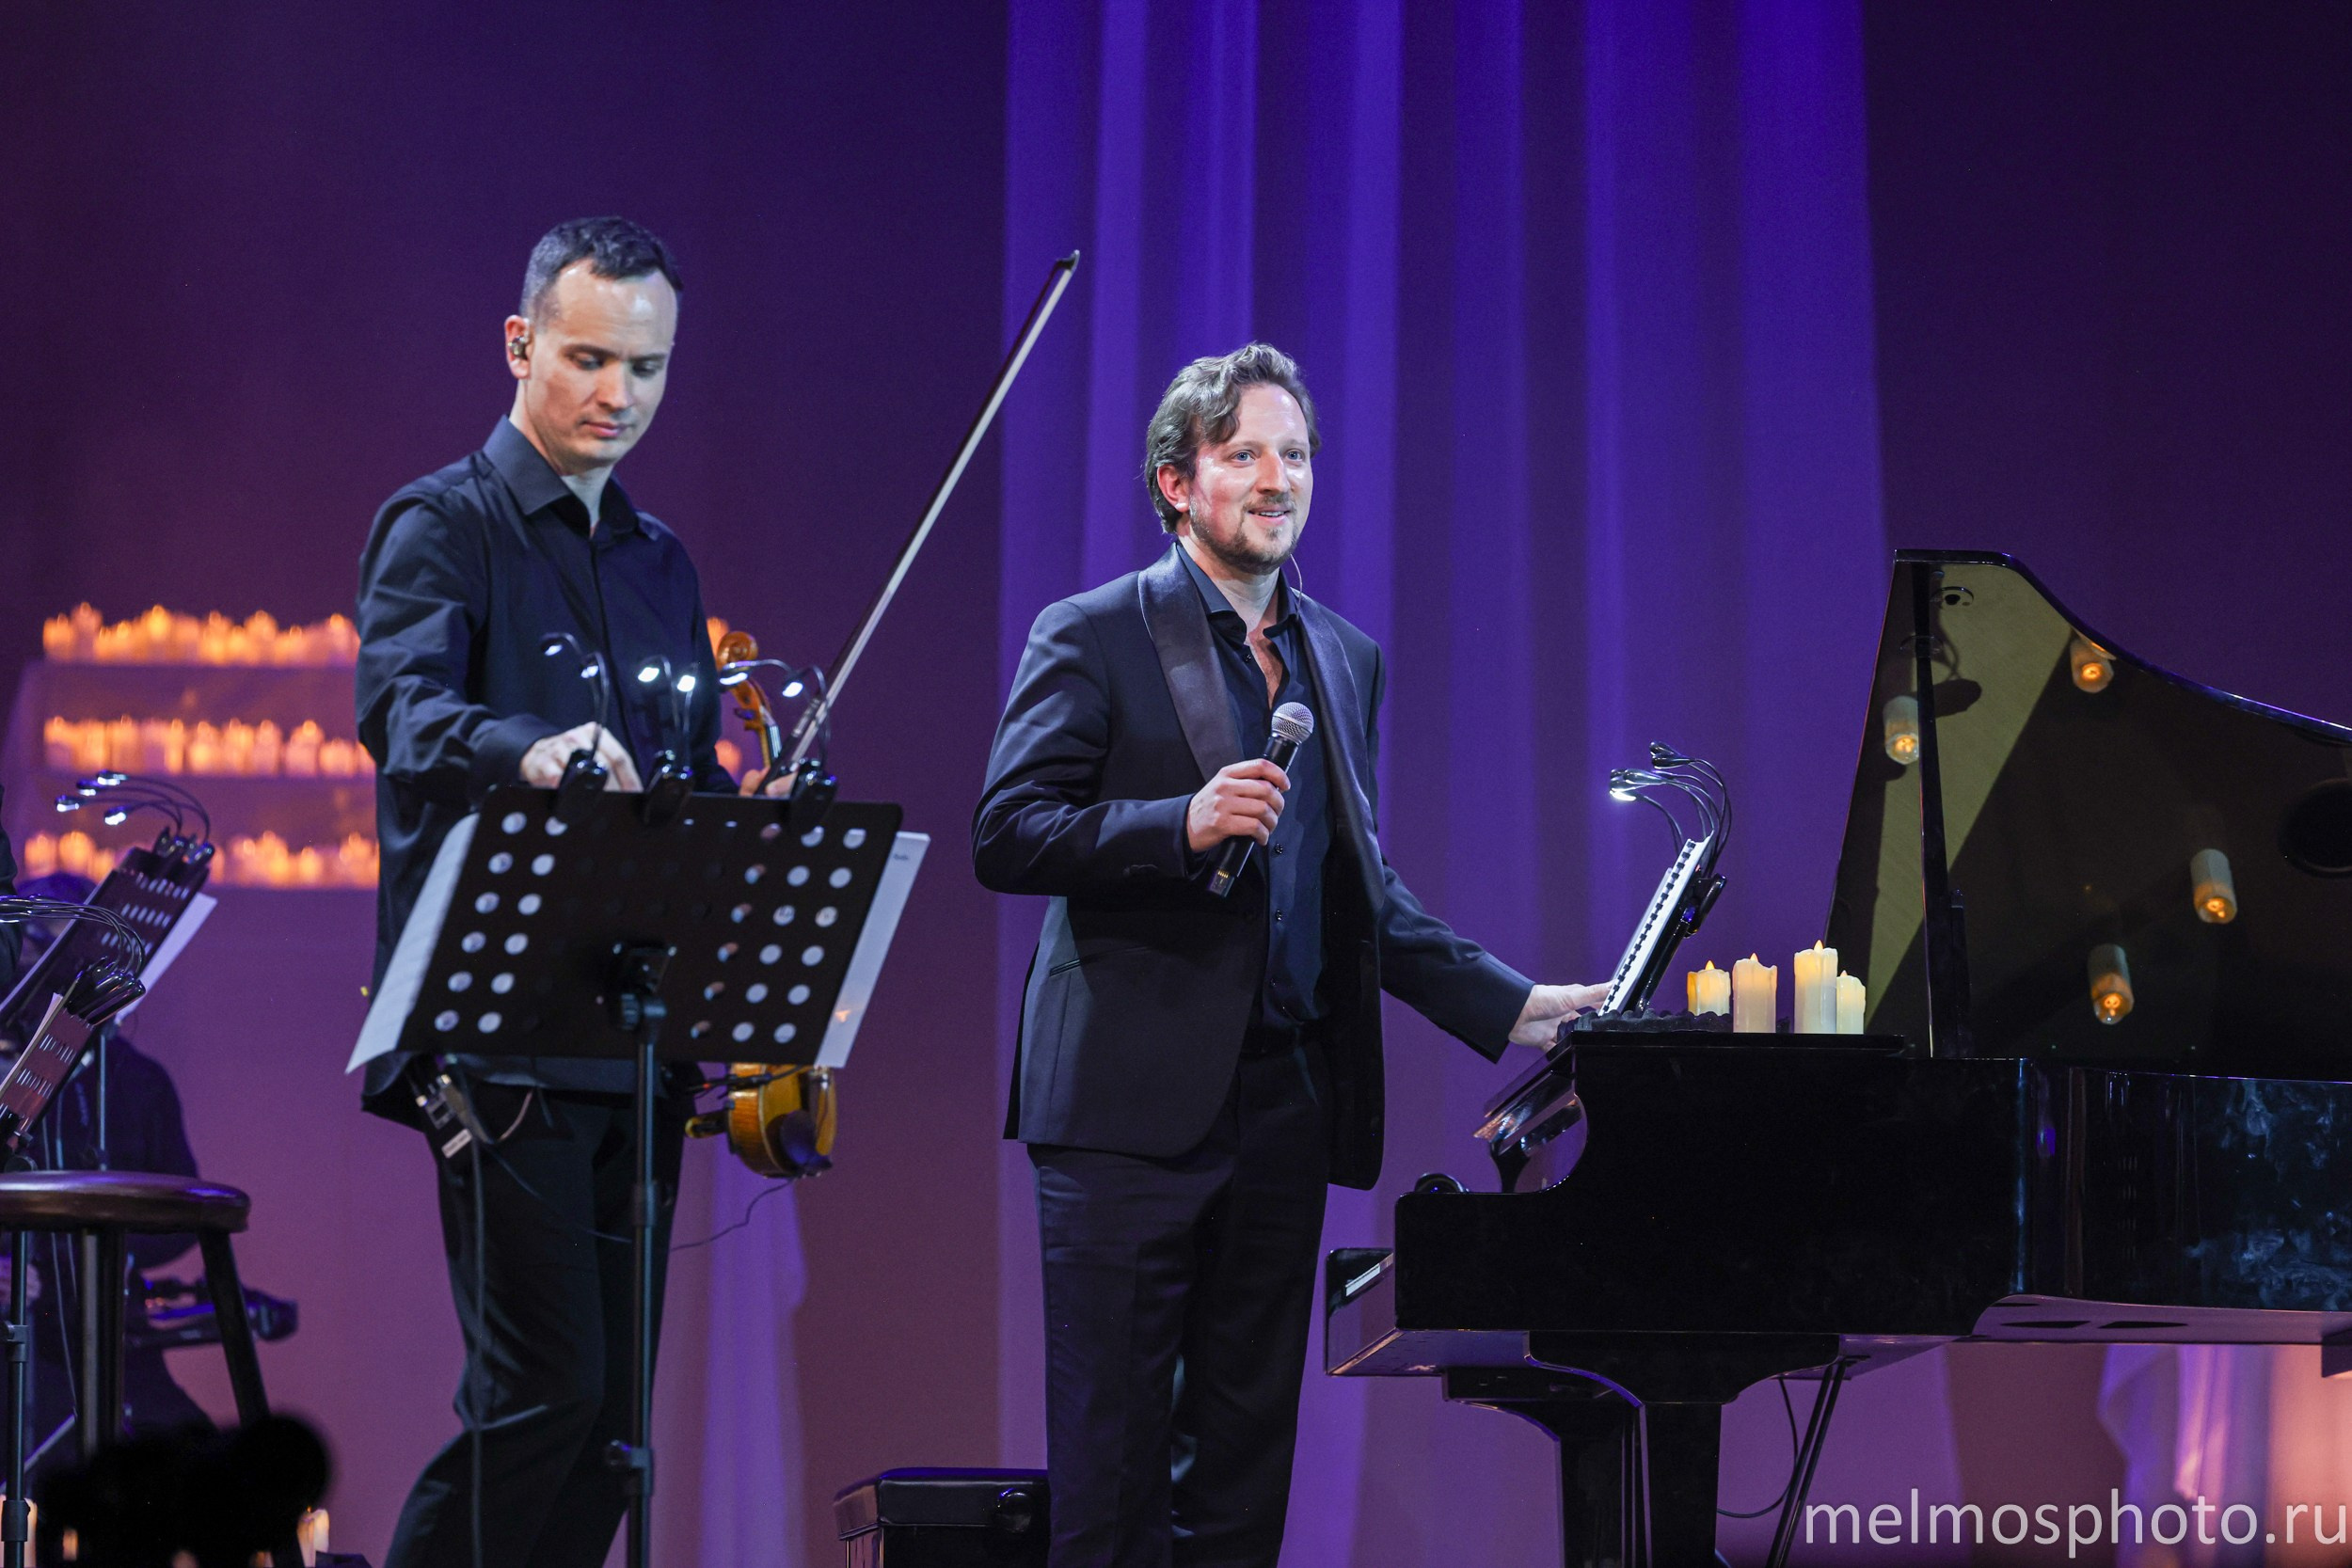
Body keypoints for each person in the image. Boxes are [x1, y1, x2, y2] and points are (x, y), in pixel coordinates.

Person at [974, 342, 1610, 1568]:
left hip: (1280, 1109)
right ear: (1177, 481)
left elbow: (1355, 891)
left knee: (1244, 1463)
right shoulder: (1094, 632)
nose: (1279, 478)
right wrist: (1180, 822)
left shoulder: (1342, 658)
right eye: (1246, 453)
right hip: (1122, 1110)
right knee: (1109, 1473)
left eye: (1297, 454)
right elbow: (1008, 831)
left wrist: (1511, 1004)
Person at [356, 215, 738, 1568]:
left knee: (615, 1433)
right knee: (542, 1396)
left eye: (646, 369)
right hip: (494, 1034)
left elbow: (678, 779)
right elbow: (405, 716)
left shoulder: (661, 562)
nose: (616, 396)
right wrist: (533, 747)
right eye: (587, 359)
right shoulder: (440, 524)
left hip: (629, 1043)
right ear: (521, 344)